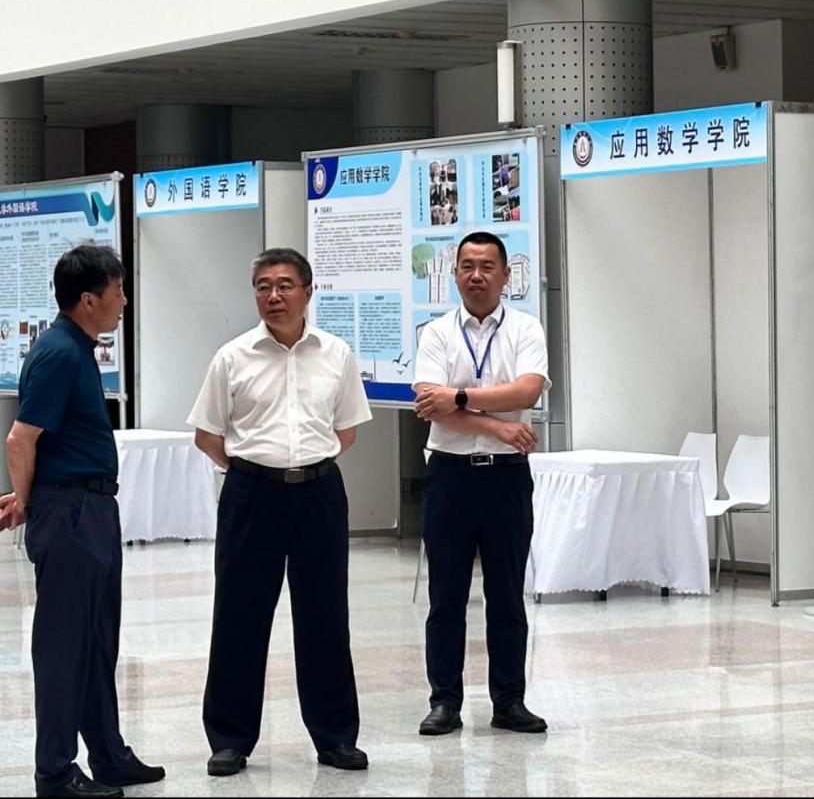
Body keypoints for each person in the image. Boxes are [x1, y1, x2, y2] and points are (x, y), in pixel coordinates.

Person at [188, 247, 372, 777]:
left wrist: (300, 465)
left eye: (285, 285)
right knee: (239, 617)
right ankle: (230, 739)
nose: (274, 295)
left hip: (318, 493)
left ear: (308, 292)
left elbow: (346, 431)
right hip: (252, 495)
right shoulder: (232, 357)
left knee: (325, 617)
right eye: (263, 286)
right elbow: (207, 435)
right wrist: (255, 469)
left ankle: (335, 737)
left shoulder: (336, 353)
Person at [0, 245, 164, 798]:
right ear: (89, 299)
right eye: (118, 291)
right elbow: (21, 437)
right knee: (65, 646)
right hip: (69, 512)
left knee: (96, 641)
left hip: (89, 508)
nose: (124, 300)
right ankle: (55, 772)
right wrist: (27, 501)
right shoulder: (59, 353)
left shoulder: (76, 348)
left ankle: (108, 755)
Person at [412, 230, 549, 736]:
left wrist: (461, 398)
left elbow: (527, 391)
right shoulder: (436, 333)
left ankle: (509, 701)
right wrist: (498, 426)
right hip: (449, 476)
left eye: (487, 266)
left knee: (507, 596)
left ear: (506, 275)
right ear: (454, 274)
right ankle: (444, 702)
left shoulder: (525, 328)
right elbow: (430, 404)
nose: (476, 275)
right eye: (467, 266)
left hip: (506, 479)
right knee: (446, 596)